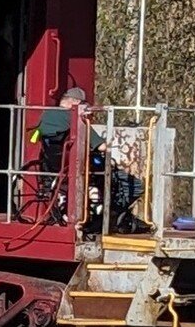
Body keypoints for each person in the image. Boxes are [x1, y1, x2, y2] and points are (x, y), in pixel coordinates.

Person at [35, 88, 144, 234]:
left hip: (53, 165)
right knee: (135, 185)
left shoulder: (45, 115)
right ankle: (106, 217)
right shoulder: (74, 118)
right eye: (85, 105)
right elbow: (102, 146)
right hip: (77, 167)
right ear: (76, 103)